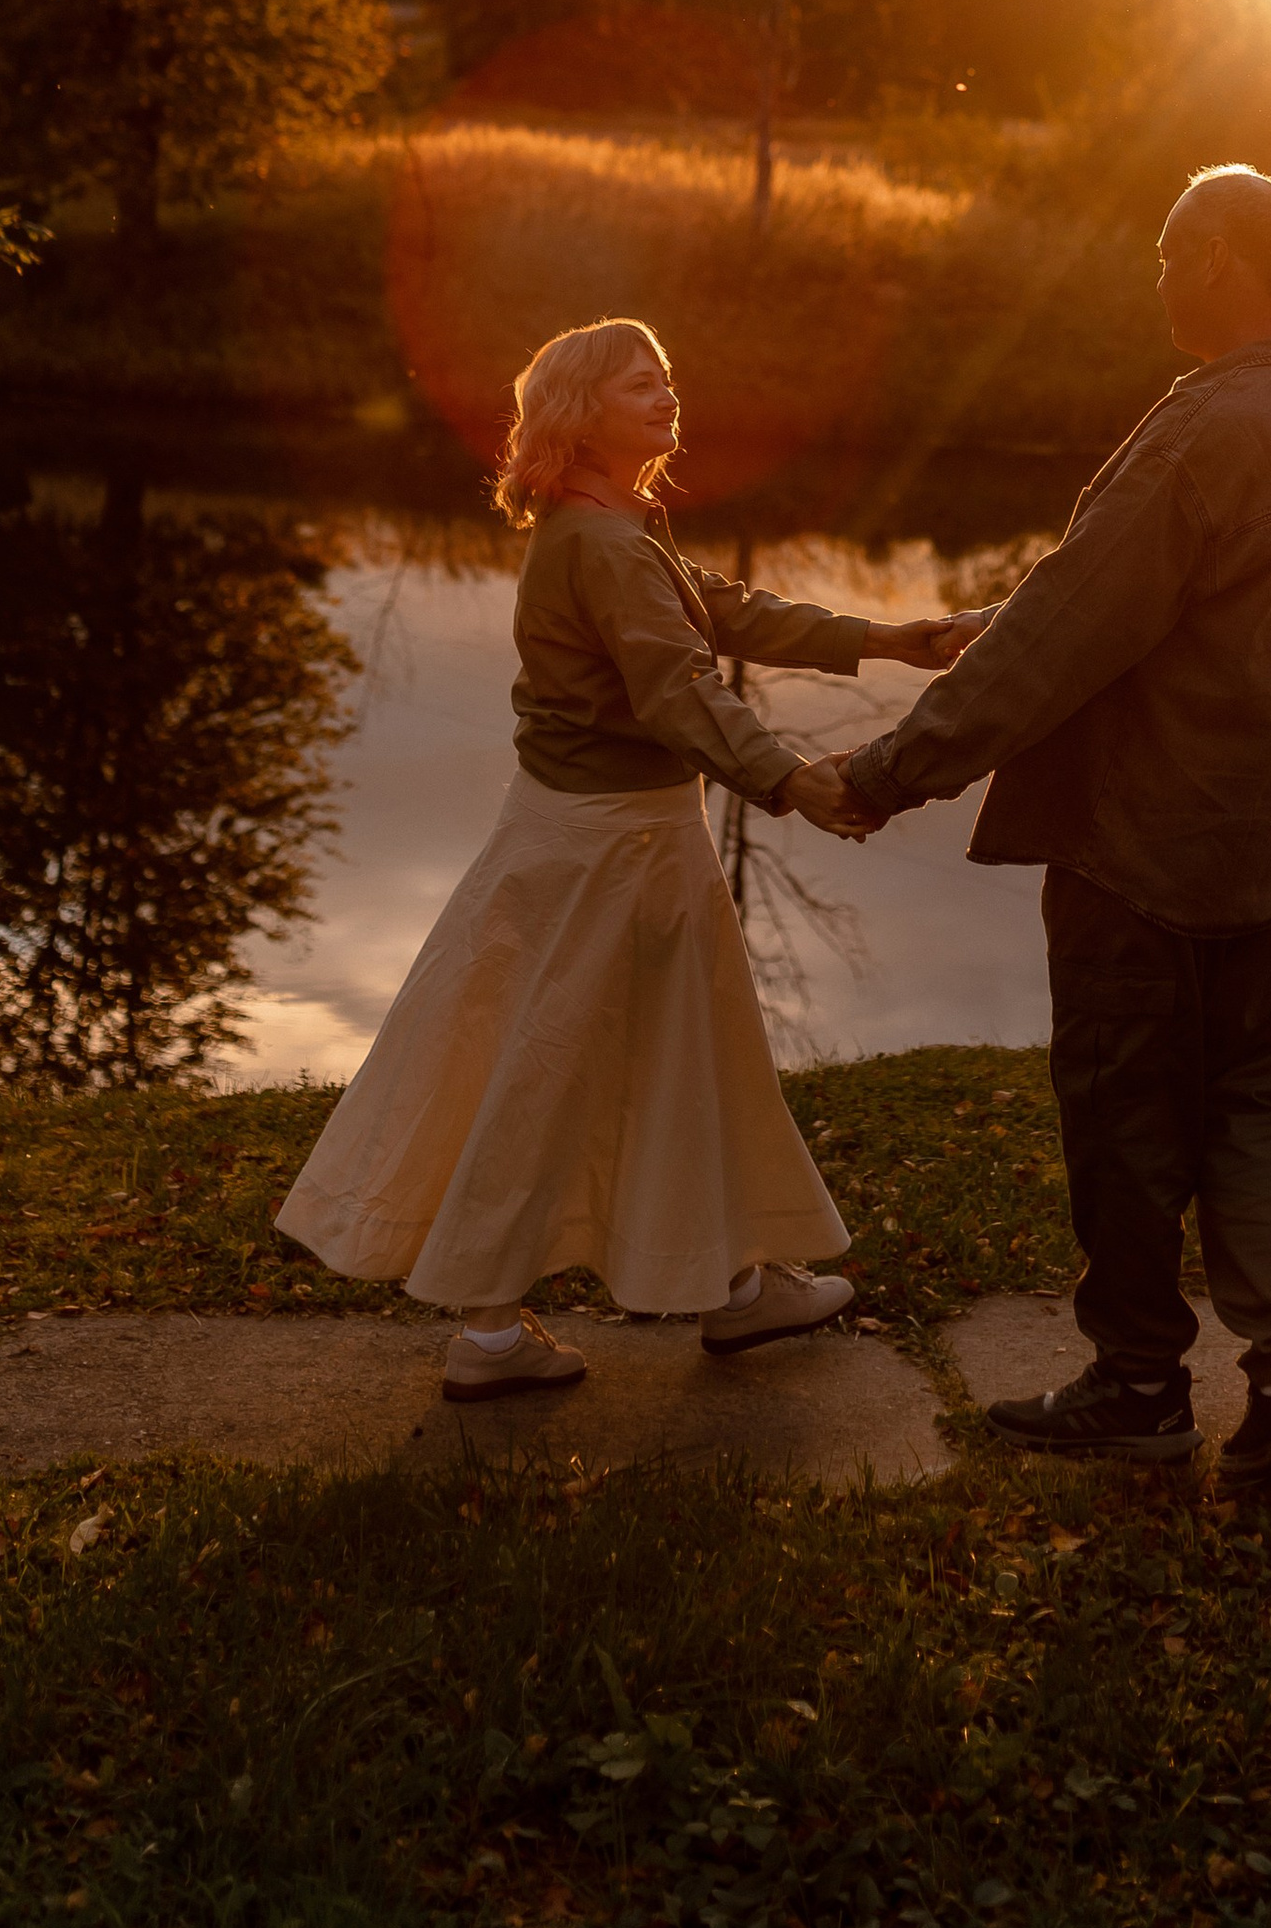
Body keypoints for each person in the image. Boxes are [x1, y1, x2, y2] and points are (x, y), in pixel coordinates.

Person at [274, 314, 966, 1399]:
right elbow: (676, 689)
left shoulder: (607, 527)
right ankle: (494, 1332)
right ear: (580, 412)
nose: (666, 394)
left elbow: (718, 612)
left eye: (666, 378)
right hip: (610, 845)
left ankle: (734, 1285)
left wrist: (887, 639)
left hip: (599, 834)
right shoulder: (600, 543)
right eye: (639, 383)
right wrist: (791, 779)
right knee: (547, 1072)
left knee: (678, 1055)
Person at [822, 163, 1271, 1484]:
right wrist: (1005, 616)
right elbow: (1130, 591)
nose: (1161, 274)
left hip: (1150, 847)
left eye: (1172, 250)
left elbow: (1069, 633)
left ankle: (1137, 1385)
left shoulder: (1206, 427)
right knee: (1246, 1112)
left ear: (1226, 256)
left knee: (1126, 1121)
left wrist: (890, 770)